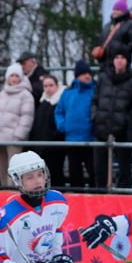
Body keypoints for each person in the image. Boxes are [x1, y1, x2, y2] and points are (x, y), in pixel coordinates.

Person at [0, 63, 35, 186]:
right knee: (2, 168)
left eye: (17, 76)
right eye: (12, 76)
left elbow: (27, 117)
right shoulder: (2, 94)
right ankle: (3, 192)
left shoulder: (25, 94)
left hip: (14, 139)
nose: (14, 79)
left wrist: (18, 136)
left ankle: (12, 193)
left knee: (14, 170)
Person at [55, 60, 95, 188]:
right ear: (77, 76)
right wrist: (62, 126)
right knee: (74, 173)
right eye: (84, 73)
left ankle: (96, 201)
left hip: (90, 140)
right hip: (71, 140)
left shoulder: (95, 92)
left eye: (89, 73)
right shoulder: (67, 93)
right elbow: (59, 111)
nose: (87, 76)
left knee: (93, 172)